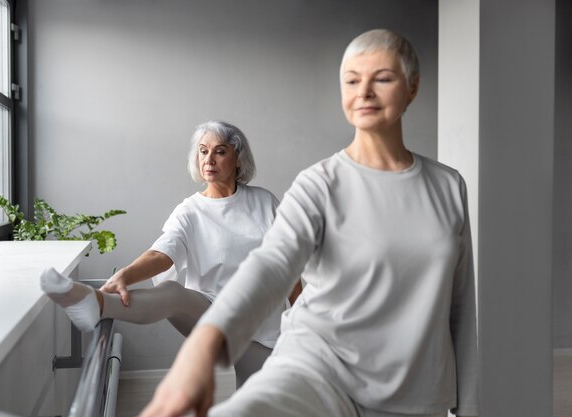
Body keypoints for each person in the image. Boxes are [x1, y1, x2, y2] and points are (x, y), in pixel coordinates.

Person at [139, 29, 479, 417]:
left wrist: (468, 406)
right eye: (352, 80)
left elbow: (460, 306)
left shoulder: (449, 186)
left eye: (381, 78)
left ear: (412, 87)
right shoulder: (318, 183)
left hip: (418, 392)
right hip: (319, 371)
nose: (364, 91)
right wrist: (202, 349)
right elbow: (270, 268)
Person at [40, 120, 303, 387]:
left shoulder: (264, 202)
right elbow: (162, 253)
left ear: (238, 158)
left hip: (261, 325)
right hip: (211, 309)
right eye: (203, 151)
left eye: (220, 151)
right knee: (173, 292)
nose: (209, 159)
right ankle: (96, 304)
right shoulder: (190, 211)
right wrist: (125, 275)